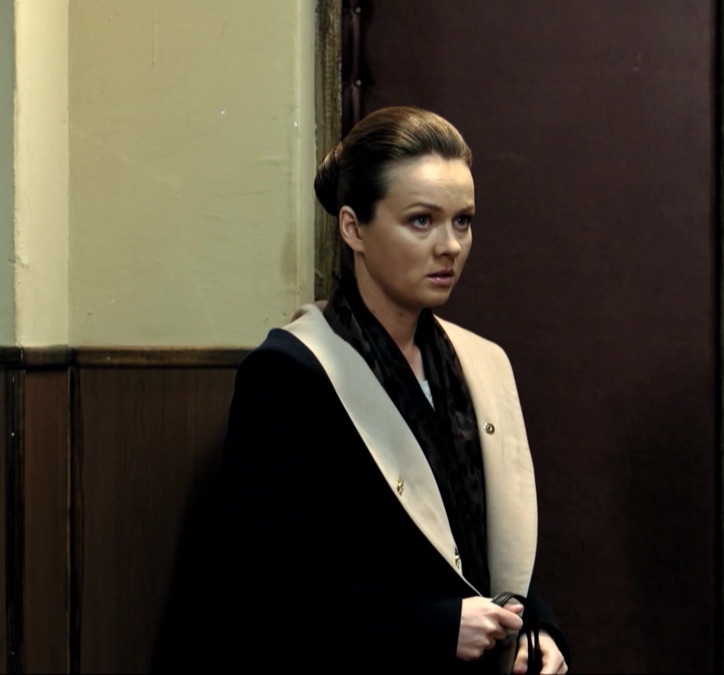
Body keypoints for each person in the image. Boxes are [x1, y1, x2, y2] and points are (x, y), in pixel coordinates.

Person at [178, 106, 568, 672]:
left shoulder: (481, 363)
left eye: (462, 221)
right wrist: (432, 626)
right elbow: (248, 593)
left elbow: (492, 546)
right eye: (421, 220)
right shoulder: (293, 372)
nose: (450, 245)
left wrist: (537, 627)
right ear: (353, 228)